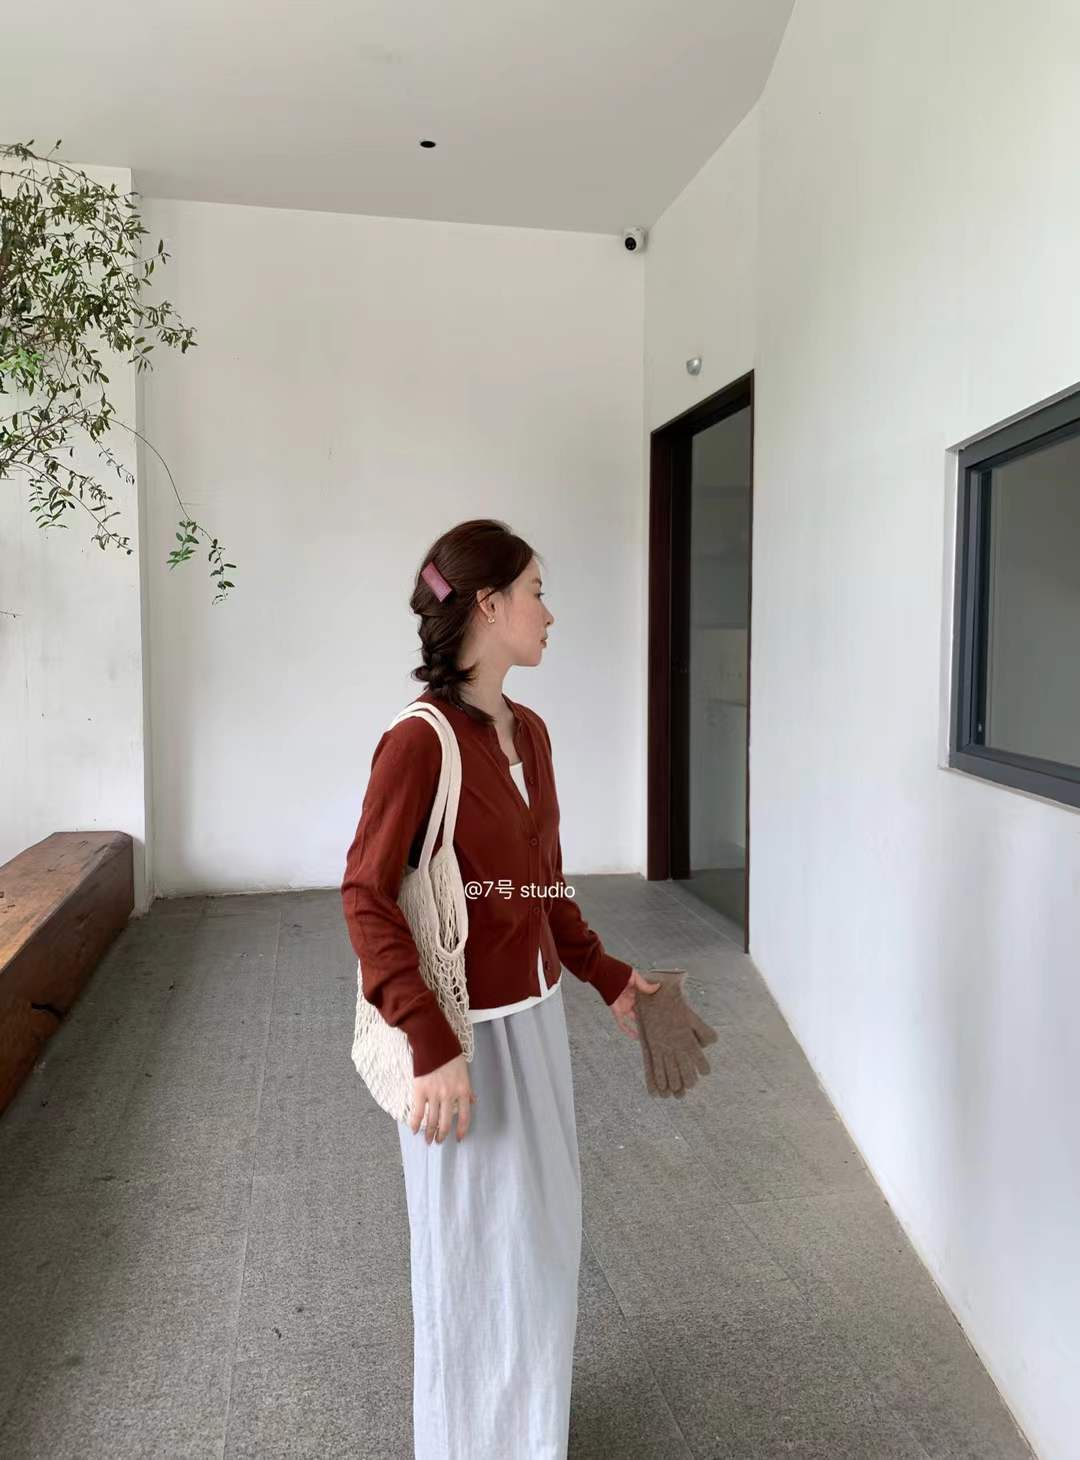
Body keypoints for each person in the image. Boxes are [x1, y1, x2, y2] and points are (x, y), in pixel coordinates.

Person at [341, 517, 661, 1460]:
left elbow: (543, 885)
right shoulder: (419, 743)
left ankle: (528, 1436)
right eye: (536, 593)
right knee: (472, 1257)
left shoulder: (534, 735)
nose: (549, 613)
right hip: (461, 1043)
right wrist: (431, 1045)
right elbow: (364, 895)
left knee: (541, 1246)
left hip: (537, 1027)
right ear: (487, 606)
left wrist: (606, 976)